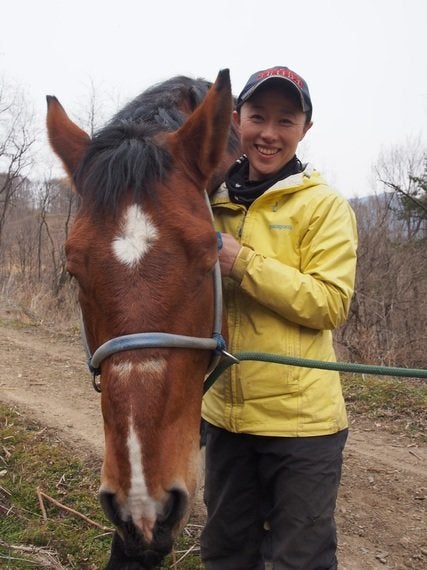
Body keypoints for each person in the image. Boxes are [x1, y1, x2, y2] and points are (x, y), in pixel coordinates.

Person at [200, 66, 358, 570]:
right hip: (225, 415)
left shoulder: (324, 206)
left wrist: (241, 261)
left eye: (285, 120)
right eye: (258, 116)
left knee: (300, 558)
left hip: (303, 425)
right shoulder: (208, 202)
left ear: (304, 129)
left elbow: (329, 303)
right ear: (236, 120)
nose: (269, 133)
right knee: (226, 552)